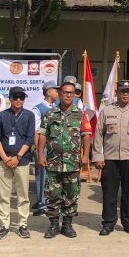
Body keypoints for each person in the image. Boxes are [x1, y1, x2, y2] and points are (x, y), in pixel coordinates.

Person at [92, 79, 129, 236]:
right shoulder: (107, 111)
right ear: (116, 92)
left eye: (128, 91)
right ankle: (109, 222)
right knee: (109, 192)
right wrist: (98, 156)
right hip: (110, 158)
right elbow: (98, 134)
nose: (125, 94)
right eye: (122, 91)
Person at [37, 79, 91, 239]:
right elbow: (42, 135)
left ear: (75, 95)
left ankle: (67, 225)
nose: (68, 95)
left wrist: (86, 155)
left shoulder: (81, 114)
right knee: (53, 194)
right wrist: (40, 155)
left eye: (71, 93)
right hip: (53, 162)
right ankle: (54, 224)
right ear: (59, 94)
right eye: (65, 92)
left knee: (71, 194)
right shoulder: (50, 113)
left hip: (73, 163)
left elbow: (86, 136)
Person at [0, 86, 35, 240]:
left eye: (21, 97)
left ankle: (22, 224)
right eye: (15, 97)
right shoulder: (1, 116)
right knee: (3, 195)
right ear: (9, 98)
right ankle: (4, 225)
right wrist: (5, 158)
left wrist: (17, 157)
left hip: (21, 161)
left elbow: (29, 139)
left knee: (23, 194)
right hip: (3, 160)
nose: (18, 100)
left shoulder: (29, 115)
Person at [31, 80, 59, 216]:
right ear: (48, 92)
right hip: (44, 148)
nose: (57, 92)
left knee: (52, 177)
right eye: (55, 90)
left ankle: (50, 201)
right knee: (42, 175)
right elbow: (36, 131)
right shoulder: (38, 109)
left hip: (55, 148)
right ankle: (42, 203)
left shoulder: (56, 107)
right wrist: (38, 151)